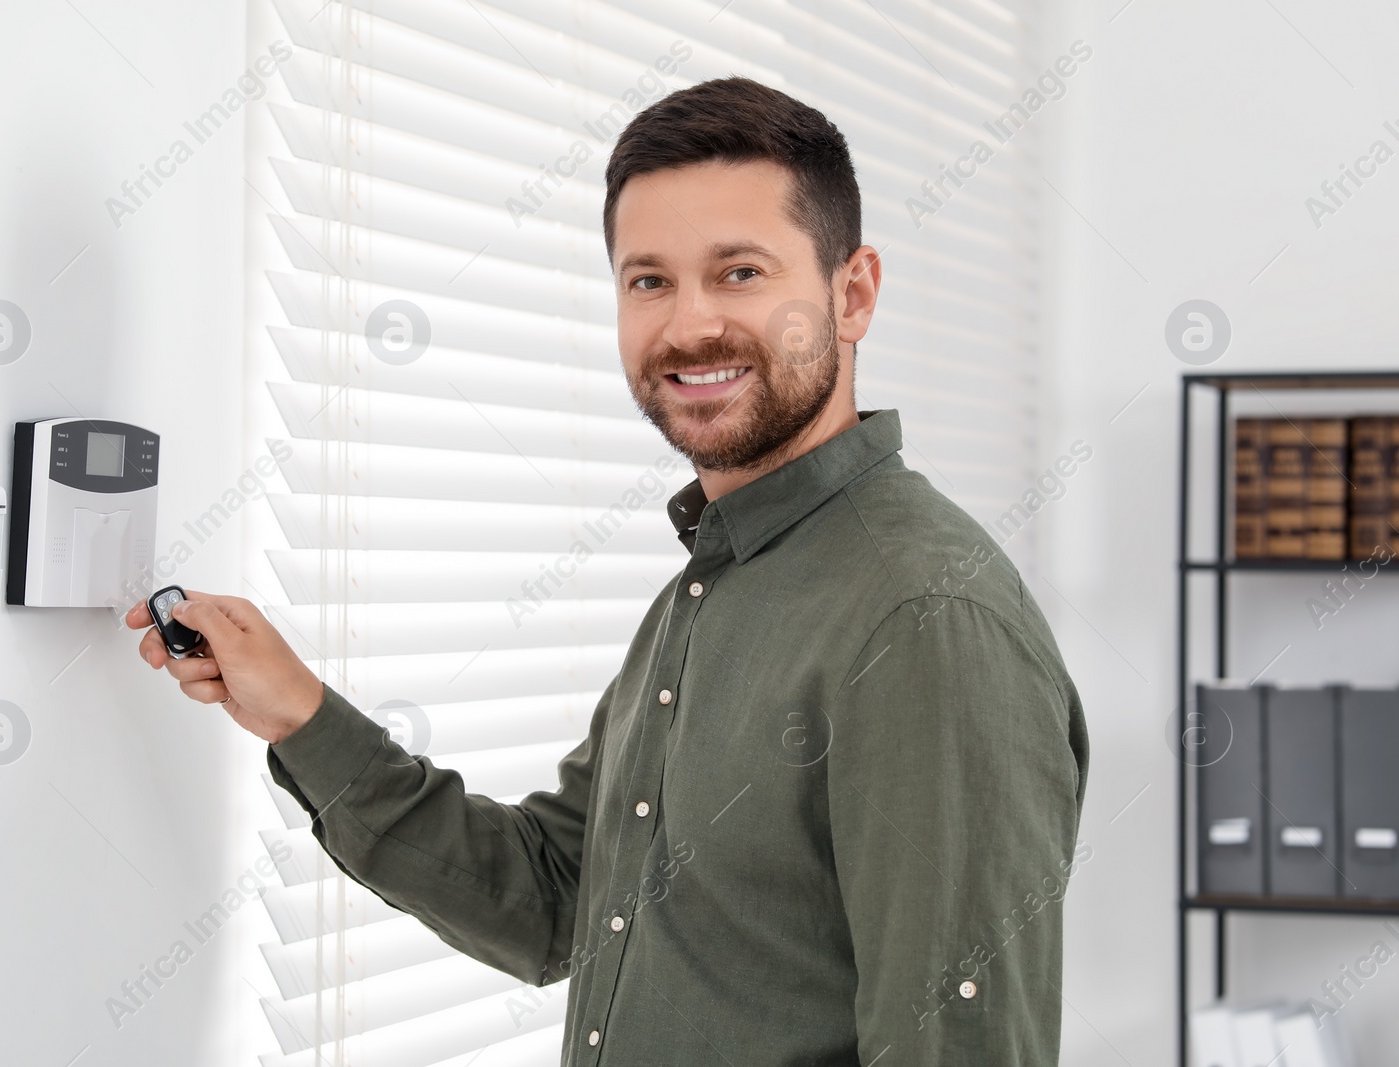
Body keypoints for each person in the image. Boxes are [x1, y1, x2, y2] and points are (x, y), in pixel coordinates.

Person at [128, 75, 1089, 1065]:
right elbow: (554, 900)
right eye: (648, 280)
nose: (688, 326)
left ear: (851, 295)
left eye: (741, 272)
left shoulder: (923, 621)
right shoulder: (709, 587)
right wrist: (300, 713)